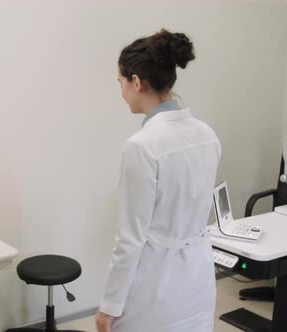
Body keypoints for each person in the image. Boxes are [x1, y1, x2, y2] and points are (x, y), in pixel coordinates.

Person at [95, 29, 221, 332]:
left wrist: (109, 307)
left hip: (156, 291)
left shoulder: (141, 146)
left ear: (136, 82)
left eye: (121, 83)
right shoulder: (207, 135)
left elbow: (130, 238)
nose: (122, 92)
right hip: (200, 282)